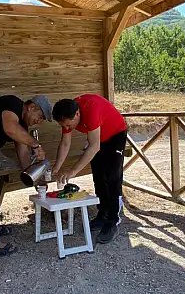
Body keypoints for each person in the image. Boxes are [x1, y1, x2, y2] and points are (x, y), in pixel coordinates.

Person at [0, 94, 52, 256]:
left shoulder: (23, 129)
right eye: (40, 117)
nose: (39, 122)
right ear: (31, 107)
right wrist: (35, 144)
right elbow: (10, 128)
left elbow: (23, 156)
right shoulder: (12, 104)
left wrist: (36, 179)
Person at [51, 94, 128, 244]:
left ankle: (112, 220)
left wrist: (72, 171)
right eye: (63, 126)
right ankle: (102, 213)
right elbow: (65, 143)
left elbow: (94, 146)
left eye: (68, 125)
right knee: (98, 176)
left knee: (112, 177)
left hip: (115, 135)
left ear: (77, 114)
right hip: (98, 138)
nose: (67, 128)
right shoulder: (68, 114)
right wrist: (56, 168)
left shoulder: (91, 109)